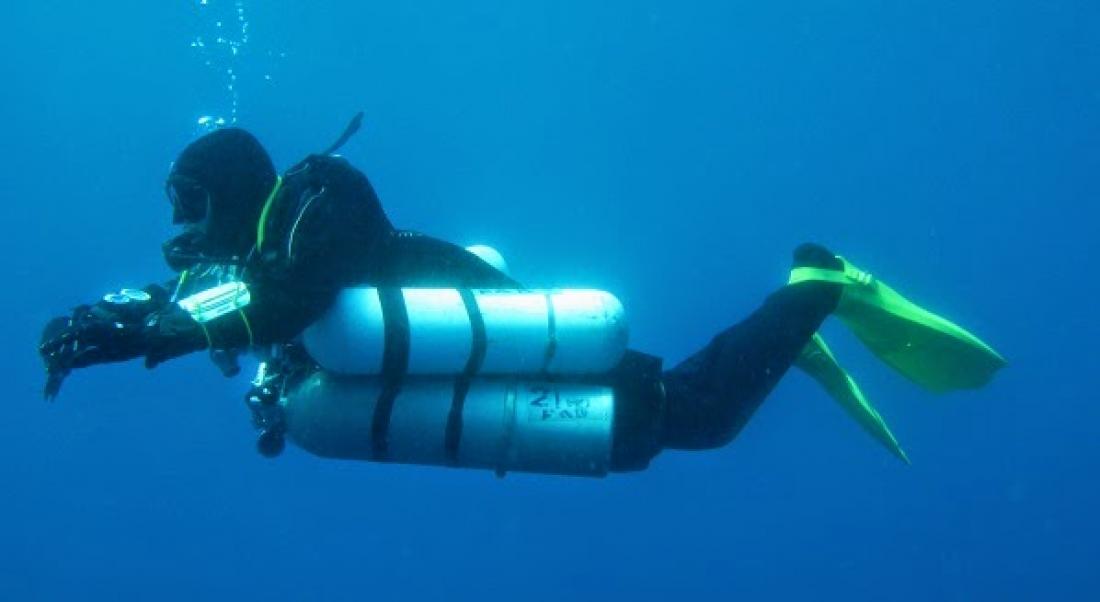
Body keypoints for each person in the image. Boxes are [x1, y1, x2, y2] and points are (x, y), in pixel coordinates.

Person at [38, 118, 1006, 474]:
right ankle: (784, 330)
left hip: (506, 344)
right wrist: (125, 317)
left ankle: (813, 285)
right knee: (679, 418)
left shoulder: (316, 197)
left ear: (232, 190)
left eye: (191, 201)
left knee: (695, 416)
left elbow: (294, 297)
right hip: (474, 377)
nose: (182, 225)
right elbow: (248, 302)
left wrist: (156, 332)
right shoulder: (264, 251)